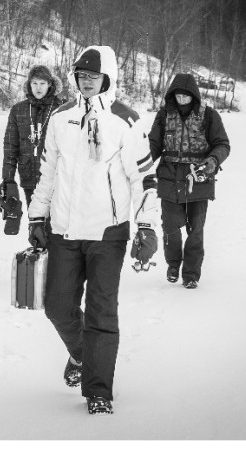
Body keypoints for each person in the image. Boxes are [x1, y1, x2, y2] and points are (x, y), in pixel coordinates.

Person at [27, 45, 160, 415]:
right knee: (57, 306)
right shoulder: (60, 118)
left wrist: (146, 226)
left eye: (93, 76)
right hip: (64, 230)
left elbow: (144, 179)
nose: (86, 82)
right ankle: (82, 354)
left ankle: (98, 391)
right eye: (81, 76)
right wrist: (37, 217)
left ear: (108, 78)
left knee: (101, 312)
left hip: (108, 233)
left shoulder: (126, 120)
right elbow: (47, 173)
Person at [148, 73, 230, 289]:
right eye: (178, 95)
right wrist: (140, 164)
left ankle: (191, 274)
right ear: (172, 95)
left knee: (196, 231)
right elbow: (153, 145)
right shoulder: (164, 115)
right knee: (171, 228)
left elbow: (222, 144)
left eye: (186, 95)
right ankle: (173, 265)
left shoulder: (209, 115)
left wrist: (213, 160)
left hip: (198, 179)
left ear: (194, 95)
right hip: (169, 178)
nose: (182, 99)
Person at [0, 65, 64, 207]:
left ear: (50, 84)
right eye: (34, 83)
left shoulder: (61, 109)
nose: (38, 88)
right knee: (35, 218)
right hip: (29, 176)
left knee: (56, 219)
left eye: (42, 83)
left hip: (56, 178)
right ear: (29, 84)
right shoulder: (18, 110)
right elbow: (10, 147)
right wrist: (8, 179)